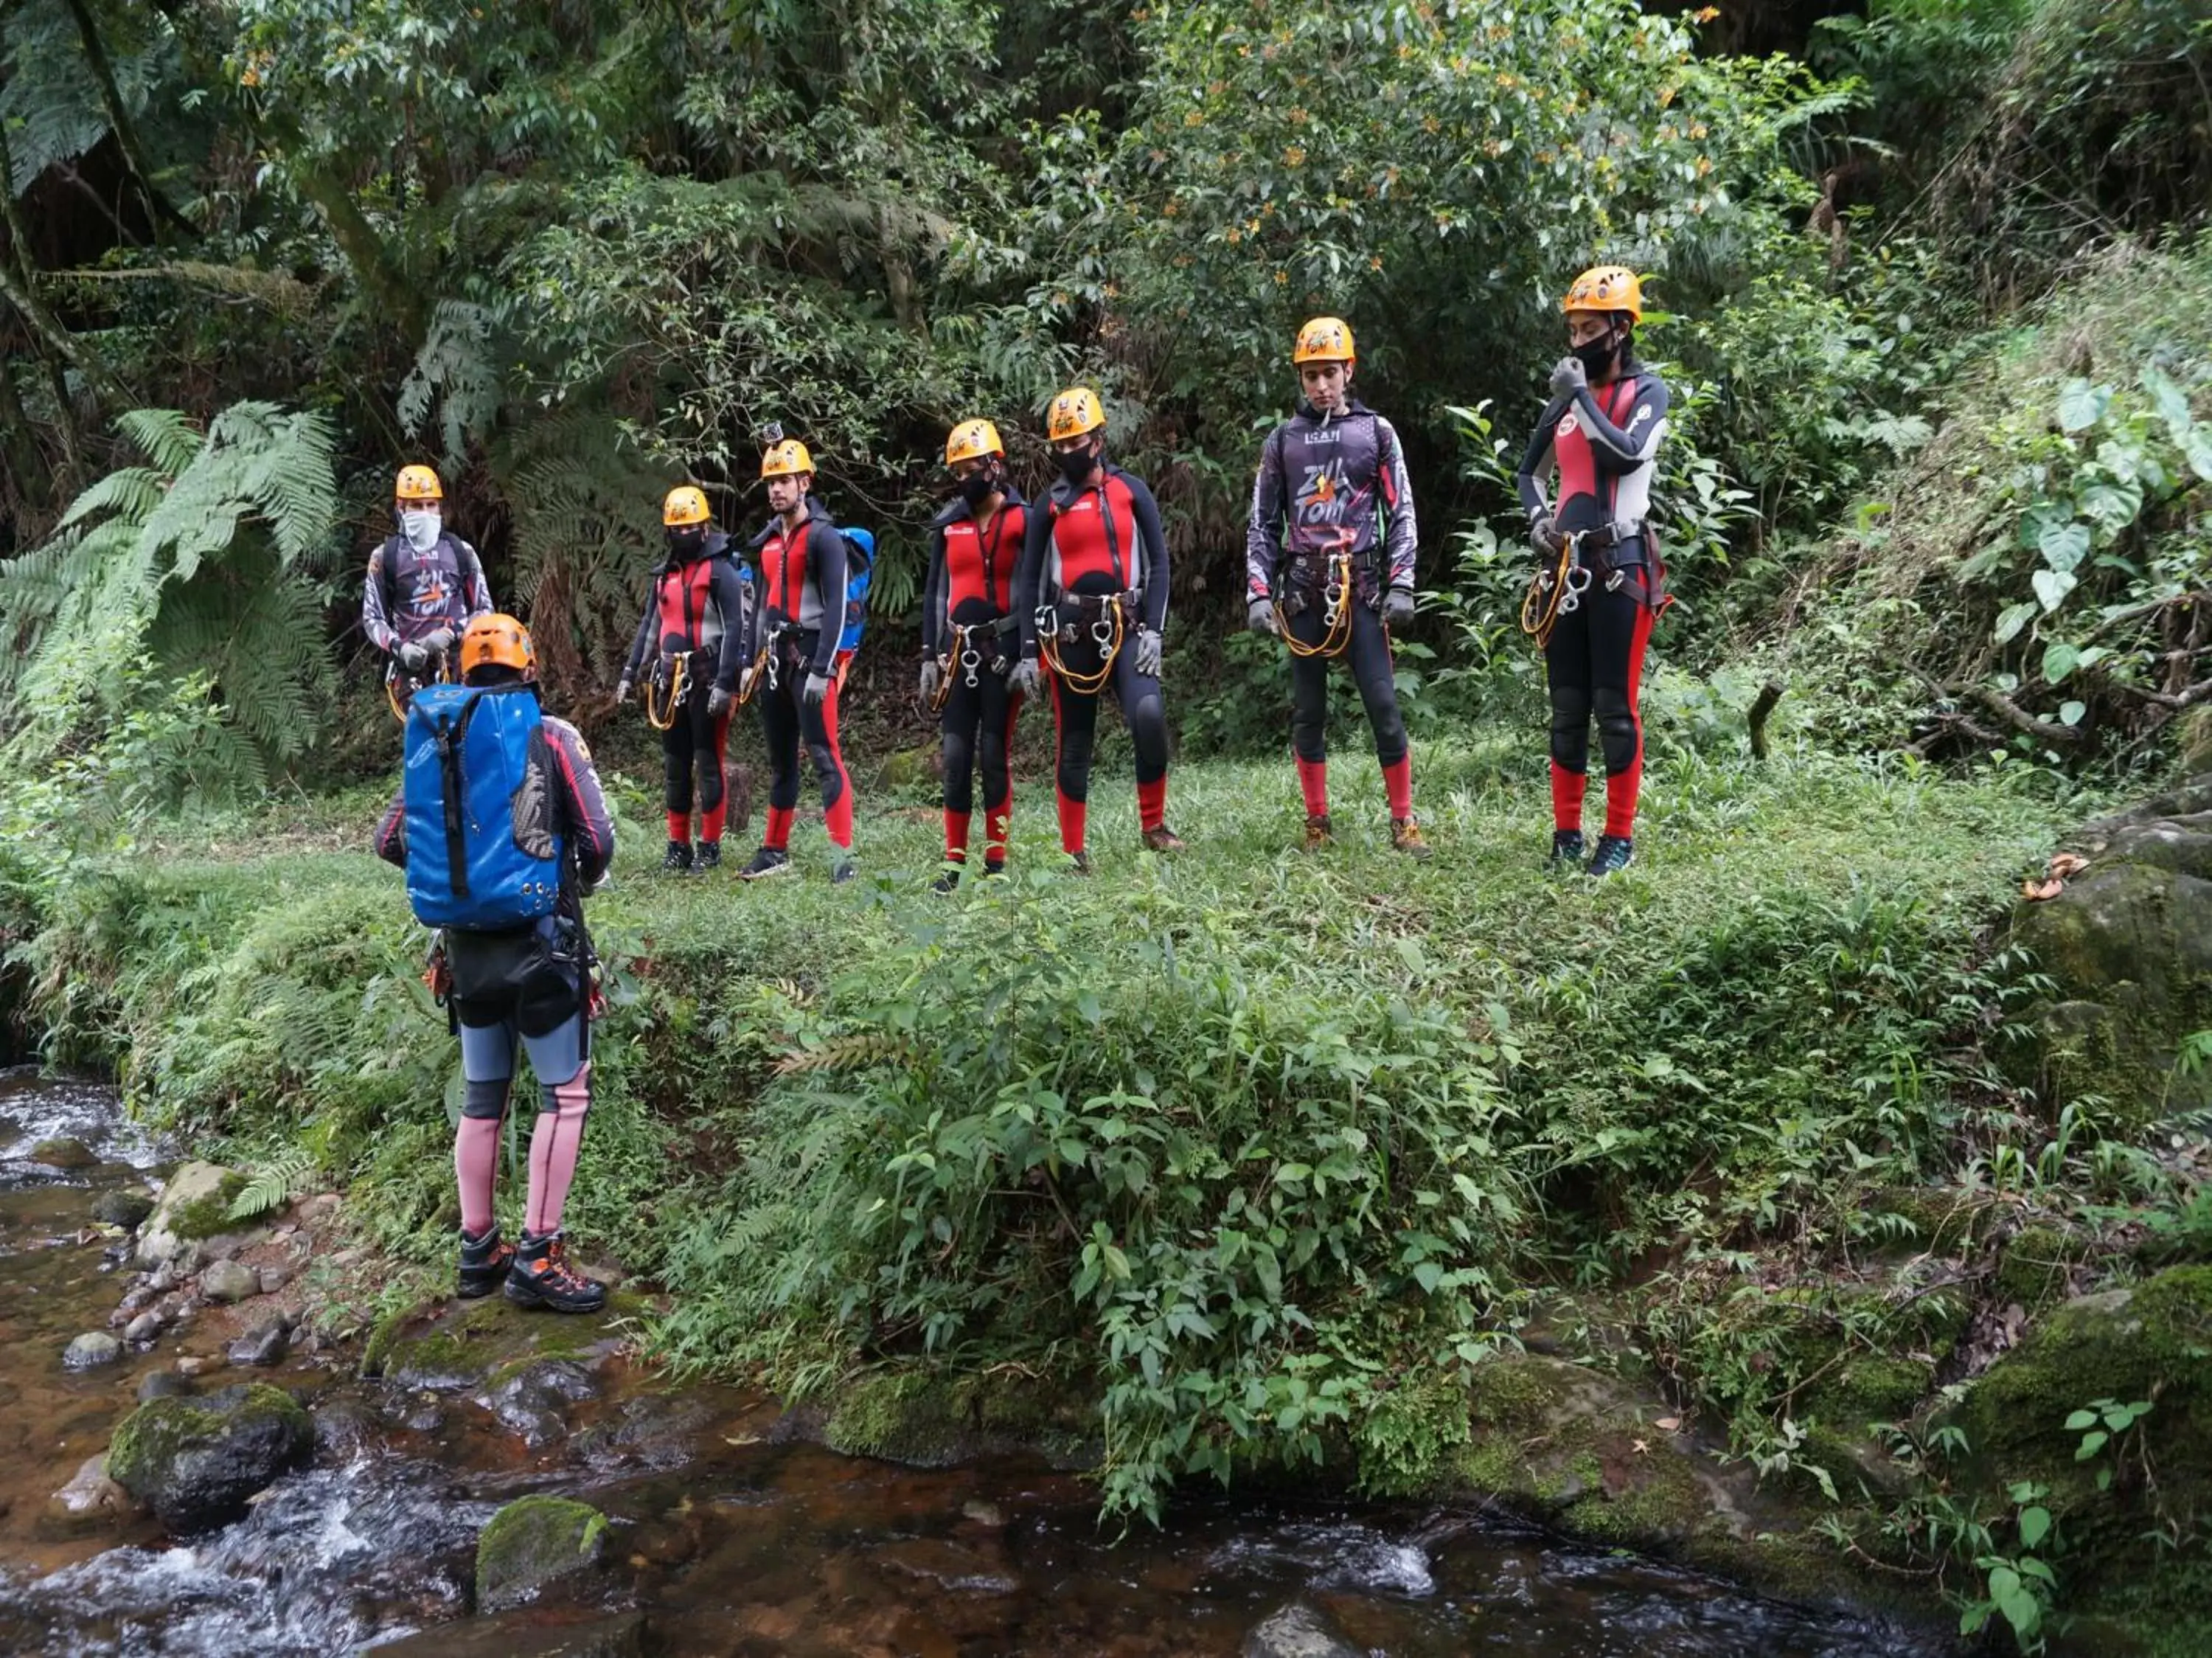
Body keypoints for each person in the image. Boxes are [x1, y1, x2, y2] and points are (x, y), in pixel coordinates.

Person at [374, 613, 613, 1314]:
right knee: (563, 1096)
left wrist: (464, 889)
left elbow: (391, 839)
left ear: (461, 675)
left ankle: (479, 1249)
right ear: (529, 668)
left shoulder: (439, 735)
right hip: (543, 948)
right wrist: (573, 880)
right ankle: (540, 1253)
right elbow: (597, 841)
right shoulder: (552, 736)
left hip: (465, 955)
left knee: (484, 1098)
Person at [1245, 316, 1430, 858]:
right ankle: (1317, 822)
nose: (1321, 385)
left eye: (1329, 373)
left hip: (1364, 588)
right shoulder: (1283, 440)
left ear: (1349, 370)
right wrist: (1258, 591)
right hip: (1303, 588)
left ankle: (1403, 821)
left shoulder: (1377, 432)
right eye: (1311, 376)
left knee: (1383, 704)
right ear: (1300, 379)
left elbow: (1402, 511)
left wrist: (1402, 583)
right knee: (1308, 711)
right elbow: (1261, 522)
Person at [1515, 265, 1671, 878]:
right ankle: (1566, 833)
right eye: (1572, 330)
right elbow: (1531, 472)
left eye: (1590, 329)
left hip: (1620, 565)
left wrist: (1579, 395)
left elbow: (1626, 455)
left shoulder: (1647, 392)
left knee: (1614, 704)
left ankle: (1619, 836)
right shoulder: (1563, 403)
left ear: (1621, 329)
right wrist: (1536, 523)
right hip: (1565, 570)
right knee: (1568, 705)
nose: (1578, 341)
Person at [1011, 388, 1183, 870]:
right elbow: (1030, 581)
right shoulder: (1048, 504)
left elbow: (1161, 565)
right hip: (1070, 633)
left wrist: (1155, 631)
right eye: (1060, 445)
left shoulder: (1131, 490)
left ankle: (1153, 824)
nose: (1068, 452)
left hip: (1128, 624)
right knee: (1074, 742)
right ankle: (1073, 851)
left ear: (1100, 437)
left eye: (1077, 441)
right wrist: (1029, 651)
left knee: (1148, 715)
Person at [615, 485, 755, 874]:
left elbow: (734, 628)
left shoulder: (721, 571)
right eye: (676, 529)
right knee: (675, 766)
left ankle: (710, 846)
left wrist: (726, 684)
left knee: (708, 763)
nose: (683, 535)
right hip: (668, 679)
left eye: (690, 528)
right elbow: (649, 626)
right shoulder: (664, 577)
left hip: (708, 674)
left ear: (705, 527)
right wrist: (630, 674)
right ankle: (678, 845)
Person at [740, 436, 856, 882]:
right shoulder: (769, 541)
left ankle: (841, 856)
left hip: (811, 654)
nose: (776, 490)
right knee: (781, 759)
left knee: (825, 754)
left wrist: (824, 668)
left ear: (805, 482)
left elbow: (837, 608)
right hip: (774, 659)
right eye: (771, 482)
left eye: (784, 480)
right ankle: (774, 848)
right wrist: (751, 659)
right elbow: (764, 604)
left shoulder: (824, 538)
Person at [921, 418, 1029, 892]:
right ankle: (954, 861)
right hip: (956, 652)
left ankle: (997, 861)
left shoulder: (1022, 519)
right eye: (958, 471)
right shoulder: (948, 524)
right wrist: (929, 654)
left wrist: (1029, 654)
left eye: (973, 469)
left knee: (993, 754)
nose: (966, 479)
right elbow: (934, 594)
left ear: (995, 465)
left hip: (1001, 649)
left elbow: (1031, 588)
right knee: (956, 754)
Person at [362, 464, 495, 717]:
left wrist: (453, 633)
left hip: (461, 664)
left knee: (468, 738)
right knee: (425, 741)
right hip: (412, 670)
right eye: (416, 506)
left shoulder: (461, 552)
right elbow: (372, 618)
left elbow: (485, 609)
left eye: (431, 505)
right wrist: (399, 647)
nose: (425, 512)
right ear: (401, 508)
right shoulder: (384, 557)